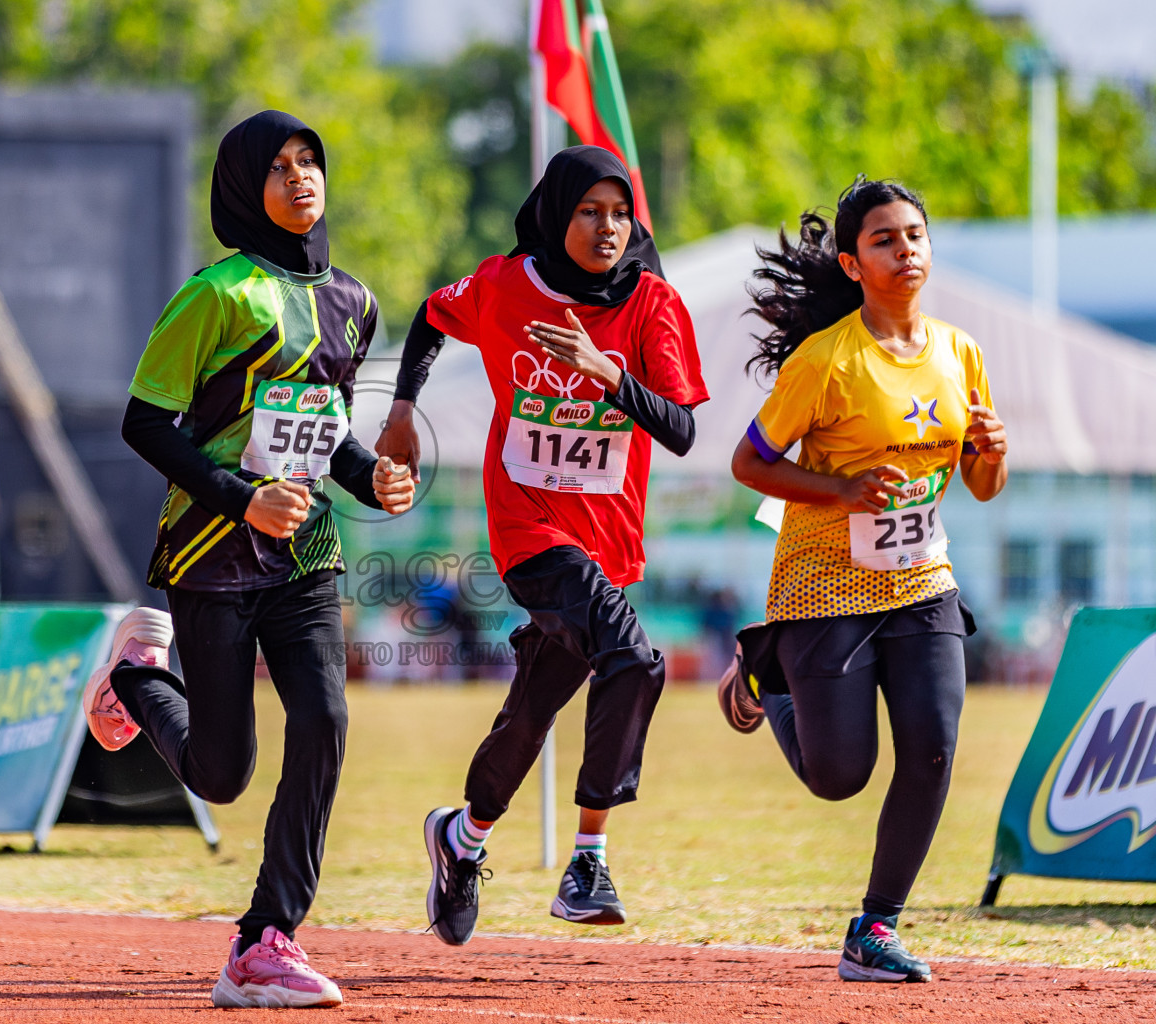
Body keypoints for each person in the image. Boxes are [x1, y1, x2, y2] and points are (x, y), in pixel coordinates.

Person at [80, 110, 414, 1010]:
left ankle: (267, 940)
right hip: (212, 548)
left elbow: (326, 431)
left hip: (305, 551)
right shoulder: (215, 295)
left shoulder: (354, 300)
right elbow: (144, 422)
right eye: (279, 167)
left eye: (311, 160)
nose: (301, 177)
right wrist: (242, 498)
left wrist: (369, 477)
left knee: (326, 720)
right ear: (242, 189)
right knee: (222, 773)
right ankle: (139, 677)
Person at [376, 146, 708, 944]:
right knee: (636, 658)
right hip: (528, 530)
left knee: (531, 716)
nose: (607, 227)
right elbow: (430, 314)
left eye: (620, 213)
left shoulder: (652, 305)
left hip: (606, 540)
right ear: (557, 216)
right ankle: (589, 859)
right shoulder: (504, 285)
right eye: (589, 211)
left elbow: (684, 430)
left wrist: (607, 376)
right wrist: (400, 408)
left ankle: (462, 837)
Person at [719, 177, 1008, 983]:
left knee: (934, 750)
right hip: (825, 584)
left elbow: (982, 486)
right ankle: (761, 676)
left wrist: (993, 450)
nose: (905, 249)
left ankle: (873, 927)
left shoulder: (961, 352)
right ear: (851, 262)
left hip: (922, 579)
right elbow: (748, 463)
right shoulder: (825, 361)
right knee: (839, 775)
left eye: (914, 234)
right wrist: (842, 490)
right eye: (884, 239)